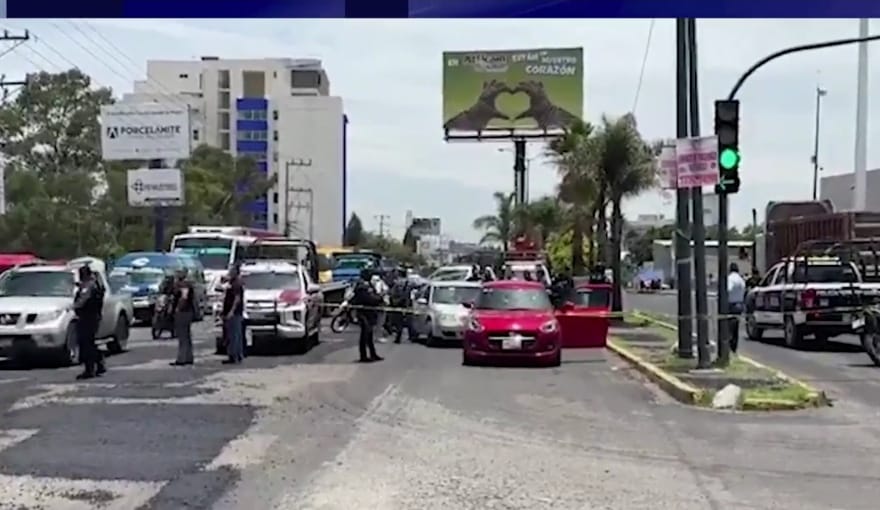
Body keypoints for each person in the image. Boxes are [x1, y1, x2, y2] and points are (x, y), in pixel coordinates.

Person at [74, 265, 105, 380]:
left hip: (88, 317)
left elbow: (82, 300)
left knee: (86, 344)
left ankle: (90, 369)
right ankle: (99, 363)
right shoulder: (94, 283)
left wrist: (73, 307)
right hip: (92, 317)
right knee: (89, 343)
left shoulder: (89, 286)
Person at [351, 269, 384, 362]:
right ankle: (363, 356)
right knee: (364, 335)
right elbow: (368, 299)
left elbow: (374, 294)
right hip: (363, 313)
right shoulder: (361, 286)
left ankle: (373, 354)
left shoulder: (368, 284)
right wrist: (378, 299)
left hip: (370, 313)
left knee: (369, 336)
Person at [170, 268, 196, 366]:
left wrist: (178, 308)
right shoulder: (186, 284)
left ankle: (182, 358)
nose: (177, 274)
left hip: (183, 312)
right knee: (187, 335)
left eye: (178, 272)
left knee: (183, 336)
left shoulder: (184, 284)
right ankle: (188, 357)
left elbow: (184, 297)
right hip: (188, 311)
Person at [222, 265, 245, 364]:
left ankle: (233, 356)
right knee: (236, 334)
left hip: (234, 313)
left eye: (231, 271)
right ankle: (238, 355)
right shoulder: (232, 282)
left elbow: (237, 299)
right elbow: (221, 284)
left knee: (233, 335)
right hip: (233, 312)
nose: (229, 272)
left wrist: (231, 311)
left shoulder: (236, 284)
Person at [726, 262, 747, 353]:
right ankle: (734, 347)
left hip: (731, 305)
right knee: (735, 328)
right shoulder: (741, 280)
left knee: (728, 327)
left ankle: (728, 347)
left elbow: (728, 289)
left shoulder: (730, 279)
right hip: (739, 304)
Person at [388, 268, 412, 344]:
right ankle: (410, 336)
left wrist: (394, 300)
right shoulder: (408, 282)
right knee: (406, 321)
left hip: (398, 303)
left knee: (398, 321)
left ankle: (398, 337)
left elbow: (393, 293)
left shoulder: (397, 282)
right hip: (405, 303)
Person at [371, 273, 390, 342]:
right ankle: (378, 337)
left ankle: (376, 336)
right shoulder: (380, 283)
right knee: (380, 321)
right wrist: (383, 294)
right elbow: (382, 292)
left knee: (376, 322)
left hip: (375, 304)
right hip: (381, 304)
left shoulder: (372, 283)